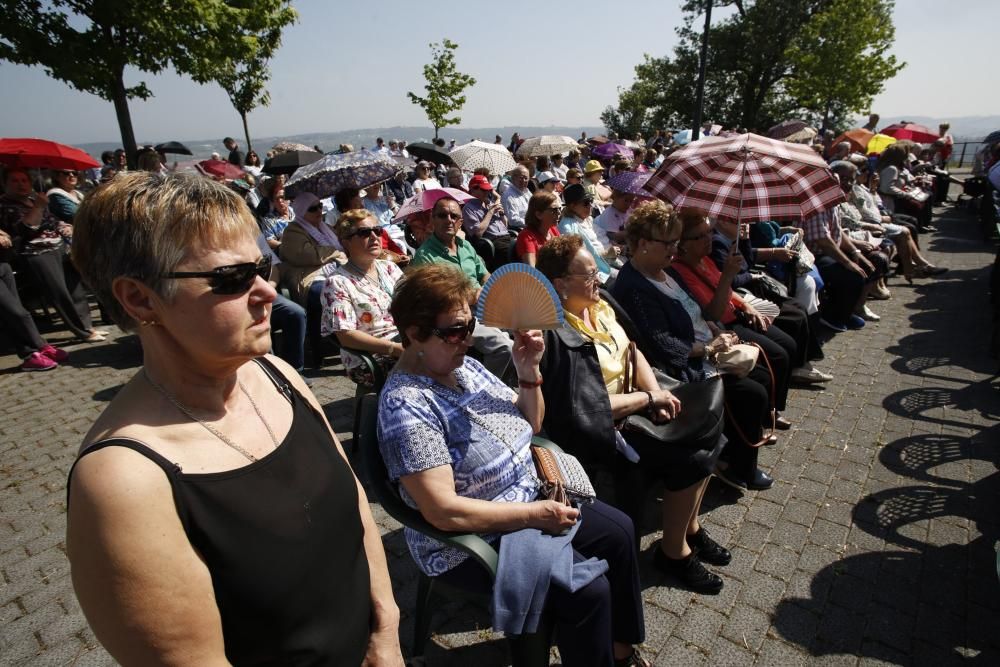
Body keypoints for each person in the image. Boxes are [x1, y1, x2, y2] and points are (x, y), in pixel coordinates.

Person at [65, 171, 403, 665]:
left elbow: (353, 504)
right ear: (140, 299)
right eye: (231, 279)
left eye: (261, 268)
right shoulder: (123, 481)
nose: (267, 291)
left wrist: (385, 634)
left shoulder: (274, 372)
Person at [378, 263, 649, 666]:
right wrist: (534, 515)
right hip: (475, 538)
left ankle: (619, 650)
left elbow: (532, 423)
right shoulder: (407, 406)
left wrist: (528, 372)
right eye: (454, 331)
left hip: (528, 496)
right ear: (414, 333)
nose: (467, 340)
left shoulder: (463, 365)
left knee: (621, 531)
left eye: (470, 326)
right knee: (588, 593)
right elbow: (442, 511)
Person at [536, 235, 730, 593]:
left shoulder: (599, 305)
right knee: (692, 456)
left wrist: (655, 392)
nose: (600, 279)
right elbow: (585, 409)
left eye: (597, 271)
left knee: (711, 433)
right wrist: (646, 399)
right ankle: (674, 553)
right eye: (590, 274)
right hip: (602, 426)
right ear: (560, 285)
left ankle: (689, 529)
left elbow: (633, 351)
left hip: (637, 401)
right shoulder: (557, 335)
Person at [610, 202, 775, 491]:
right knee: (751, 392)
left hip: (707, 347)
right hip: (683, 367)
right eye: (668, 243)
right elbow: (667, 348)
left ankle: (733, 453)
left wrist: (714, 328)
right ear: (645, 243)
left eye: (676, 241)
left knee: (760, 375)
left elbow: (701, 312)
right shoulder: (634, 286)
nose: (674, 249)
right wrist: (711, 346)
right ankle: (735, 466)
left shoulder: (666, 271)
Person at [669, 209, 796, 426]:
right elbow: (711, 313)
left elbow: (729, 291)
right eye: (700, 236)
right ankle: (767, 415)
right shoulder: (679, 271)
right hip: (725, 324)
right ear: (682, 244)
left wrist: (746, 304)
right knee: (777, 356)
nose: (709, 238)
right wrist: (728, 274)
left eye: (709, 232)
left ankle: (773, 408)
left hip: (737, 312)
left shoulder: (704, 259)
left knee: (788, 343)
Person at [709, 216, 832, 383]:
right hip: (741, 294)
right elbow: (732, 279)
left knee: (798, 308)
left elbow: (747, 262)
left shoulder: (733, 239)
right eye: (737, 220)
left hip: (748, 289)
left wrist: (745, 240)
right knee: (794, 317)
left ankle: (803, 362)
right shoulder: (717, 243)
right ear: (722, 222)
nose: (744, 223)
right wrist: (751, 275)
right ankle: (798, 365)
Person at [411, 197, 512, 378]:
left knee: (528, 328)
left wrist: (489, 291)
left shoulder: (466, 247)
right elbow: (436, 298)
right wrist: (472, 297)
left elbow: (485, 275)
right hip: (457, 315)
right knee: (504, 348)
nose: (448, 220)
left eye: (454, 216)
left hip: (485, 303)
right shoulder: (425, 256)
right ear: (433, 220)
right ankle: (483, 391)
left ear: (460, 222)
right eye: (442, 215)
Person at [0, 168, 105, 342]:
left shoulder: (33, 199)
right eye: (15, 181)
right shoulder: (5, 206)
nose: (21, 184)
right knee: (59, 292)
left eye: (24, 180)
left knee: (75, 288)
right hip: (37, 252)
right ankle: (82, 331)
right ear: (5, 184)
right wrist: (39, 207)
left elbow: (52, 220)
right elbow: (25, 228)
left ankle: (88, 326)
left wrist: (64, 227)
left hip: (59, 247)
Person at [321, 209, 404, 385]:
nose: (374, 237)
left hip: (404, 341)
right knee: (429, 364)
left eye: (378, 230)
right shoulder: (337, 283)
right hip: (368, 358)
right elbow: (346, 336)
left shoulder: (390, 268)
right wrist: (394, 349)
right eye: (365, 233)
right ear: (346, 242)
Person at [0, 252, 69, 371]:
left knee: (10, 316)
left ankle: (30, 355)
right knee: (18, 313)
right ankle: (40, 346)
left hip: (2, 263)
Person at [279, 191, 346, 305]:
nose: (319, 210)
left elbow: (341, 244)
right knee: (332, 292)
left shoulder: (324, 226)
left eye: (320, 206)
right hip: (309, 276)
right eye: (313, 209)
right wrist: (334, 251)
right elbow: (309, 255)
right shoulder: (292, 231)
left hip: (335, 268)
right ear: (302, 211)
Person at [558, 183, 616, 283]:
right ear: (572, 206)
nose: (590, 205)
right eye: (585, 203)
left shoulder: (587, 219)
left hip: (607, 261)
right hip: (595, 273)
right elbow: (577, 258)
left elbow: (601, 237)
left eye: (591, 201)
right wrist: (606, 253)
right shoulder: (567, 227)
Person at [462, 174, 510, 269]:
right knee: (516, 251)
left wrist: (501, 214)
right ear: (473, 190)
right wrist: (490, 212)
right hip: (493, 241)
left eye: (488, 190)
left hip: (506, 237)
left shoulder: (489, 203)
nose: (487, 192)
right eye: (483, 190)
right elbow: (477, 233)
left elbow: (505, 226)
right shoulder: (468, 208)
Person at [515, 191, 562, 266]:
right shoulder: (526, 236)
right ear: (539, 214)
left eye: (559, 208)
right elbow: (532, 271)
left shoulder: (553, 229)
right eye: (554, 210)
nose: (559, 213)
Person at [501, 165, 531, 230]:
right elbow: (513, 220)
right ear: (513, 178)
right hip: (522, 229)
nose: (523, 180)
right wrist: (532, 224)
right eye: (521, 177)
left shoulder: (527, 192)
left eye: (526, 178)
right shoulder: (508, 195)